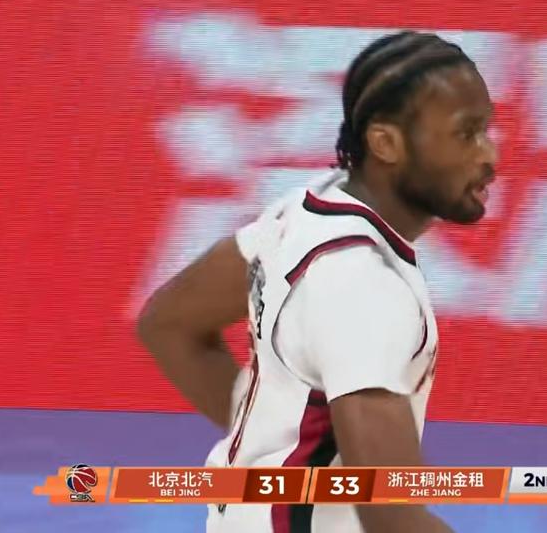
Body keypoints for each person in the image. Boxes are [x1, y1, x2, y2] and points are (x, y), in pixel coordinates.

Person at [138, 30, 497, 532]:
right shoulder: (363, 285)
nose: (489, 157)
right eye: (466, 134)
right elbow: (390, 516)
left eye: (487, 130)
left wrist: (269, 449)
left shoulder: (309, 208)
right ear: (386, 143)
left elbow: (169, 324)